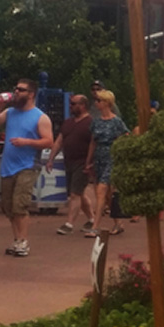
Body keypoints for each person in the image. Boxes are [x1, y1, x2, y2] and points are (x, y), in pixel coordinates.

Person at [0, 78, 53, 256]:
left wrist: (27, 141)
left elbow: (49, 141)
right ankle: (16, 240)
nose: (16, 92)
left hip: (28, 165)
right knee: (8, 206)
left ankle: (24, 242)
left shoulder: (40, 117)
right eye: (15, 89)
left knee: (19, 205)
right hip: (9, 165)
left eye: (21, 90)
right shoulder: (10, 112)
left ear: (31, 94)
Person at [46, 94, 95, 234]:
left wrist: (91, 163)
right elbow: (59, 141)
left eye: (73, 103)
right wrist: (51, 159)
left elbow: (94, 143)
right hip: (69, 161)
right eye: (70, 103)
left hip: (83, 162)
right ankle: (91, 218)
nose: (70, 106)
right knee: (79, 192)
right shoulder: (68, 122)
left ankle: (69, 224)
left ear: (82, 105)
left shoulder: (91, 123)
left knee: (74, 194)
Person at [84, 89, 128, 237]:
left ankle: (95, 226)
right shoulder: (96, 122)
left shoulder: (116, 121)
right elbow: (92, 142)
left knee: (101, 190)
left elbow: (125, 137)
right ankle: (118, 223)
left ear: (107, 103)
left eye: (99, 101)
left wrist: (120, 153)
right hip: (99, 157)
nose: (96, 103)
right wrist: (88, 161)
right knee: (107, 194)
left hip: (112, 157)